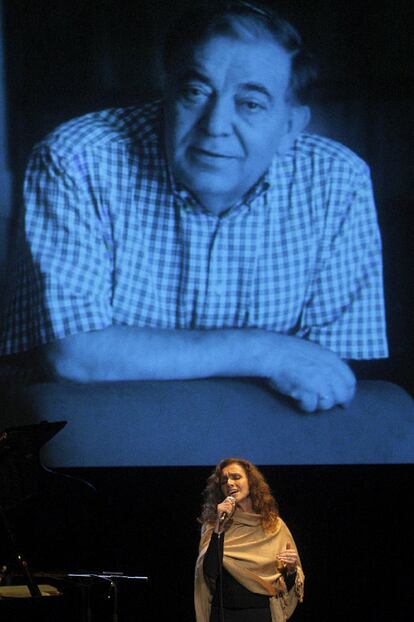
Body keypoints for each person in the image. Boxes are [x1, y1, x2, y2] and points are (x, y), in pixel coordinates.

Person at [0, 0, 388, 412]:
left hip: (261, 430)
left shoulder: (338, 181)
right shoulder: (77, 160)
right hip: (99, 429)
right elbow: (73, 356)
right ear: (167, 94)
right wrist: (266, 352)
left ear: (291, 126)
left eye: (251, 103)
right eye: (195, 91)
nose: (215, 125)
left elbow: (326, 375)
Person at [194, 457, 304, 622]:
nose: (229, 483)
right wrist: (220, 526)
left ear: (251, 482)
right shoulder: (214, 524)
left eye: (236, 477)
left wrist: (291, 569)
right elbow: (209, 573)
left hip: (261, 614)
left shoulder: (274, 525)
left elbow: (285, 585)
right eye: (224, 481)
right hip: (224, 615)